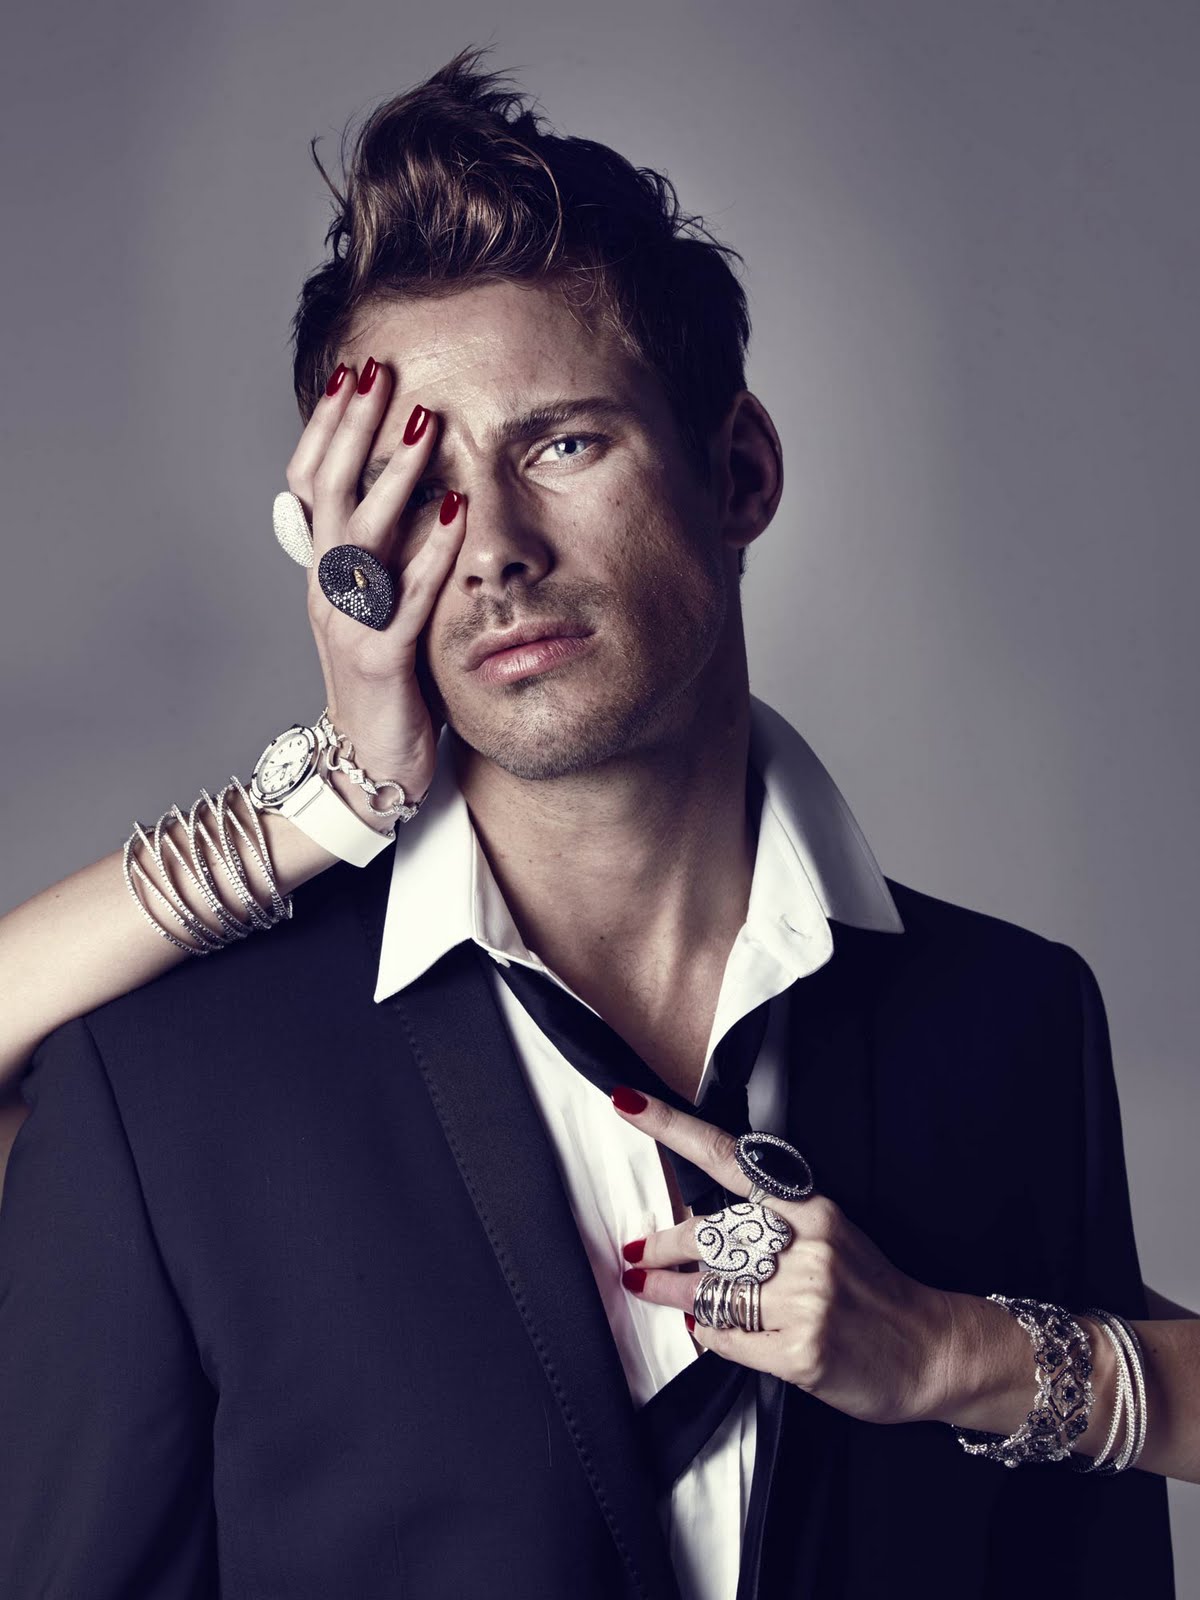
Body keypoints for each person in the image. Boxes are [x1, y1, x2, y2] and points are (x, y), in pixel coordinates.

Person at [0, 44, 1193, 1600]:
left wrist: (955, 1354)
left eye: (562, 444)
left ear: (740, 470)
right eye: (416, 490)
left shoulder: (1013, 1026)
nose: (493, 547)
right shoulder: (169, 1091)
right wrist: (332, 795)